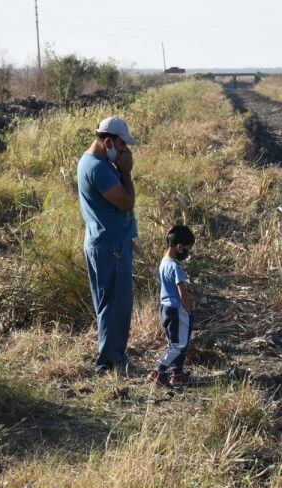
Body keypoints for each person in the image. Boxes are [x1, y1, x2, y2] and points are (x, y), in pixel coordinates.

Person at [77, 116, 138, 376]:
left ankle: (112, 357)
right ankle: (109, 362)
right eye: (122, 146)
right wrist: (126, 172)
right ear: (108, 141)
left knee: (112, 303)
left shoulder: (98, 163)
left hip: (107, 242)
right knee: (114, 305)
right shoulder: (98, 168)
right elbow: (126, 202)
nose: (125, 151)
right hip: (109, 245)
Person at [148, 225, 196, 388]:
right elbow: (182, 293)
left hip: (165, 308)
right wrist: (189, 311)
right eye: (187, 249)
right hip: (177, 310)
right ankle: (159, 370)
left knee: (174, 342)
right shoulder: (176, 268)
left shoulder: (163, 263)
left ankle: (178, 374)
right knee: (180, 344)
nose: (187, 253)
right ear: (179, 247)